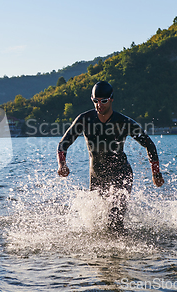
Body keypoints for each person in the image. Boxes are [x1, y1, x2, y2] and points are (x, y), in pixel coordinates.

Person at [57, 81, 164, 232]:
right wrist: (62, 164)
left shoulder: (123, 122)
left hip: (121, 174)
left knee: (115, 221)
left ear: (111, 99)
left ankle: (121, 253)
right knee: (96, 224)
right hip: (97, 176)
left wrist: (156, 172)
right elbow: (63, 144)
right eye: (95, 101)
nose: (99, 105)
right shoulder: (84, 120)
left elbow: (149, 144)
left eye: (104, 101)